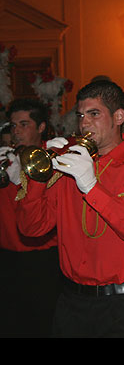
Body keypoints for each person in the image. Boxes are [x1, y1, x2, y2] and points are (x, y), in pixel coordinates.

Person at [15, 80, 124, 337]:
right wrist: (40, 179)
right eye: (81, 115)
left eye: (94, 114)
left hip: (123, 303)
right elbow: (32, 227)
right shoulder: (71, 162)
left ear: (119, 117)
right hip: (72, 300)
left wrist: (91, 186)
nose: (84, 123)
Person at [0, 98, 61, 337]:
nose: (16, 131)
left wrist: (20, 180)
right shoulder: (7, 156)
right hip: (7, 257)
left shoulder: (53, 157)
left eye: (24, 124)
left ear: (41, 127)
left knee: (43, 324)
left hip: (42, 256)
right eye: (13, 125)